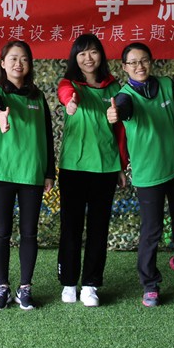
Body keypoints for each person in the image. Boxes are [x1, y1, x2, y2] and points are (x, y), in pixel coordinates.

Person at [107, 43, 174, 307]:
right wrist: (116, 113)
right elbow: (123, 108)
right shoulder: (124, 96)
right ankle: (150, 283)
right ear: (124, 67)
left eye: (144, 60)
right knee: (152, 230)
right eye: (133, 62)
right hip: (148, 175)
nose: (140, 66)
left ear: (151, 61)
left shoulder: (167, 85)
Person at [56, 33, 128, 307]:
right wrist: (70, 103)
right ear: (75, 58)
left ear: (101, 55)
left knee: (99, 228)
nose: (88, 58)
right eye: (82, 53)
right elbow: (65, 95)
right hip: (74, 167)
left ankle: (90, 284)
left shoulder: (114, 87)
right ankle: (68, 282)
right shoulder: (69, 84)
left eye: (93, 52)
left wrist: (121, 165)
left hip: (106, 168)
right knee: (71, 227)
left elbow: (120, 131)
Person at [0, 41, 55, 311]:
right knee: (2, 232)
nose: (18, 63)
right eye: (12, 58)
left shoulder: (38, 97)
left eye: (24, 59)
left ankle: (25, 288)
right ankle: (2, 287)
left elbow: (48, 135)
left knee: (29, 233)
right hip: (2, 172)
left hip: (32, 173)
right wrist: (0, 114)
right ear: (3, 63)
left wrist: (49, 173)